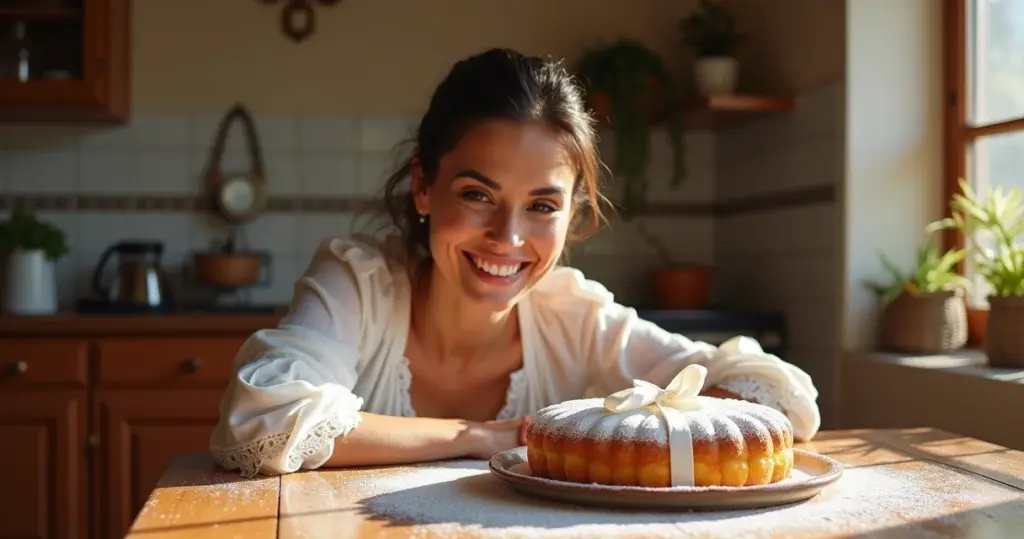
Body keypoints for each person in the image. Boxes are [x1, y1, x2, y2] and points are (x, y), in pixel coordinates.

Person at [209, 48, 821, 478]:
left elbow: (776, 396)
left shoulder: (572, 313)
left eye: (542, 206)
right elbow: (264, 421)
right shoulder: (358, 285)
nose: (507, 236)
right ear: (424, 187)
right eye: (477, 195)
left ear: (572, 213)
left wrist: (673, 419)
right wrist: (477, 437)